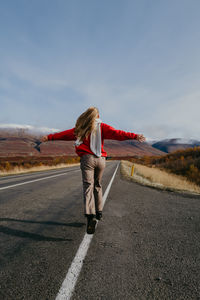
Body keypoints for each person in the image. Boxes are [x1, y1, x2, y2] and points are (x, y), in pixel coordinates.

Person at [41, 107, 145, 234]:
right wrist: (135, 136)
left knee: (88, 186)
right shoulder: (102, 126)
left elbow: (63, 135)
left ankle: (90, 217)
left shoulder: (80, 129)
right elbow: (118, 133)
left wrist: (49, 137)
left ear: (87, 116)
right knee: (98, 185)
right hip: (101, 159)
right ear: (97, 116)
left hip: (87, 159)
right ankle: (99, 212)